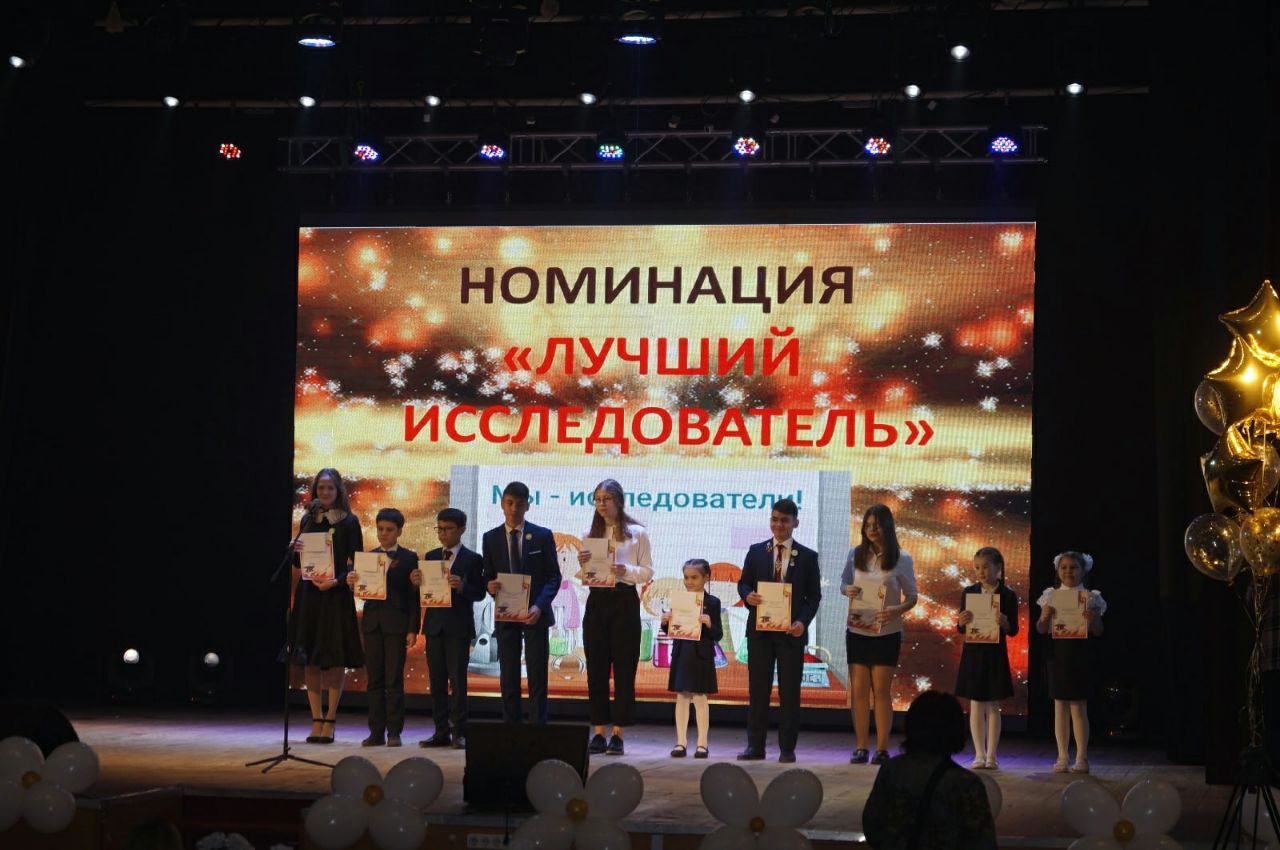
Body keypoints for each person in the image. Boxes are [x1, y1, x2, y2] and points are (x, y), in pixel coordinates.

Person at [737, 497, 822, 763]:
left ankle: (787, 749)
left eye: (784, 520)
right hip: (760, 633)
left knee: (790, 693)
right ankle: (755, 747)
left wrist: (802, 623)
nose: (778, 525)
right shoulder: (756, 551)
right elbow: (743, 584)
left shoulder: (807, 557)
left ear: (796, 522)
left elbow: (813, 597)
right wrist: (748, 595)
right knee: (758, 691)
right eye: (774, 519)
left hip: (790, 635)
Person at [574, 478, 654, 755]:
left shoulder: (637, 533)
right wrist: (583, 565)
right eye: (597, 499)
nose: (601, 504)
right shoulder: (589, 533)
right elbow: (587, 575)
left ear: (618, 500)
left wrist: (625, 571)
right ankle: (598, 731)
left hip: (624, 601)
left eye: (606, 499)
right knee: (596, 669)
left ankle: (618, 733)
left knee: (623, 668)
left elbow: (648, 571)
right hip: (597, 600)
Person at [861, 690, 998, 850]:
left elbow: (872, 826)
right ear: (956, 730)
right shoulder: (966, 783)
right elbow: (982, 841)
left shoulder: (891, 770)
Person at [288, 468, 365, 744]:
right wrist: (294, 550)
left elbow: (357, 563)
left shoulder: (349, 521)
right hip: (310, 594)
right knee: (309, 656)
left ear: (338, 490)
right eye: (321, 488)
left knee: (334, 657)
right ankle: (316, 719)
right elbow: (299, 563)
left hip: (335, 595)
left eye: (330, 488)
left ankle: (330, 719)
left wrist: (336, 581)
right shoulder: (308, 518)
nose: (325, 492)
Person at [842, 503, 918, 765]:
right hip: (857, 630)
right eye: (867, 525)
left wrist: (897, 610)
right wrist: (847, 590)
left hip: (886, 632)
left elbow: (913, 596)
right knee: (859, 692)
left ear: (887, 526)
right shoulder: (855, 554)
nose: (871, 529)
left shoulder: (902, 558)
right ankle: (861, 747)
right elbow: (844, 583)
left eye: (876, 525)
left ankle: (882, 748)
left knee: (882, 692)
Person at [483, 481, 561, 725]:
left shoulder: (542, 535)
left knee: (537, 674)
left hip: (535, 613)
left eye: (519, 504)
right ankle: (511, 728)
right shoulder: (490, 538)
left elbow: (554, 576)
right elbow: (488, 575)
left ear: (528, 505)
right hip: (506, 614)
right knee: (508, 674)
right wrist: (489, 586)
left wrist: (539, 606)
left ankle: (538, 728)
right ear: (502, 504)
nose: (514, 509)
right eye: (509, 503)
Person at [345, 507, 419, 748]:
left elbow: (413, 597)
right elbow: (363, 592)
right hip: (373, 623)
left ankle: (394, 732)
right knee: (374, 679)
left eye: (389, 529)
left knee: (393, 680)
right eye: (380, 529)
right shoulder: (367, 557)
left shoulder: (409, 558)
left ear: (399, 531)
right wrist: (352, 583)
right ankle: (375, 732)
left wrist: (412, 628)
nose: (384, 533)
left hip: (397, 624)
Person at [415, 507, 486, 749]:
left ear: (462, 530)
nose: (443, 533)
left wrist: (463, 587)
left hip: (458, 627)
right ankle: (440, 731)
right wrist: (417, 582)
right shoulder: (430, 556)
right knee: (436, 682)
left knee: (457, 682)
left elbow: (480, 593)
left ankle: (459, 732)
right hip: (434, 626)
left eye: (448, 529)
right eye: (440, 529)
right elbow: (424, 592)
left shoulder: (473, 559)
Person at [1036, 551, 1105, 774]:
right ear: (1057, 570)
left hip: (1080, 657)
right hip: (1057, 657)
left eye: (1074, 567)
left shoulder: (1091, 598)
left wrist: (1093, 620)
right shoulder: (1051, 596)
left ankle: (1082, 757)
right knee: (1060, 707)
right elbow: (1041, 629)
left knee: (1078, 707)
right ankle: (1062, 756)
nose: (1068, 571)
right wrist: (1044, 617)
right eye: (1064, 567)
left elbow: (1099, 631)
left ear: (1083, 571)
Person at [954, 547, 1019, 770]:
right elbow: (961, 627)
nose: (980, 572)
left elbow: (1013, 630)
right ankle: (979, 754)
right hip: (973, 654)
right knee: (976, 704)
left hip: (995, 655)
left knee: (992, 704)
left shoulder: (1007, 595)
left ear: (998, 567)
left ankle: (991, 755)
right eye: (977, 568)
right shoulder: (969, 592)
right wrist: (961, 621)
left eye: (985, 567)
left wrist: (1005, 623)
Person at [662, 558, 722, 759]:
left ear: (706, 577)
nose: (689, 582)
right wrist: (665, 622)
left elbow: (718, 634)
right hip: (682, 653)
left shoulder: (712, 602)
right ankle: (681, 742)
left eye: (694, 577)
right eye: (686, 577)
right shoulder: (679, 600)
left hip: (701, 656)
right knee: (682, 696)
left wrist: (709, 624)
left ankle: (702, 744)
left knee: (700, 697)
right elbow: (672, 630)